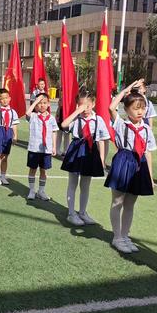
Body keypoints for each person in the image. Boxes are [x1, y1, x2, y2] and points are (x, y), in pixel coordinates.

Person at [105, 80, 156, 253]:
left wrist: (150, 176)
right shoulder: (121, 123)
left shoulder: (147, 129)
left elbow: (148, 152)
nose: (140, 111)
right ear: (127, 109)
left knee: (130, 203)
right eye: (136, 108)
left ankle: (125, 236)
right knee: (117, 201)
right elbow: (111, 107)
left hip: (138, 164)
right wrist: (126, 90)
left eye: (142, 107)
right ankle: (117, 236)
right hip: (123, 160)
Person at [61, 90, 110, 226]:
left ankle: (82, 212)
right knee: (72, 183)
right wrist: (77, 111)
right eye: (82, 105)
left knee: (85, 184)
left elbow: (102, 140)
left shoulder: (98, 119)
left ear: (93, 104)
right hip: (76, 150)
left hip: (90, 151)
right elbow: (64, 124)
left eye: (87, 105)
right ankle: (71, 213)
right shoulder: (76, 118)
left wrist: (102, 159)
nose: (85, 109)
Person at [25, 93, 58, 200]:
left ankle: (41, 191)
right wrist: (35, 101)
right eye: (39, 103)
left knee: (43, 170)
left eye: (44, 103)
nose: (42, 105)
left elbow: (54, 132)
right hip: (34, 148)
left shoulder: (51, 118)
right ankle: (32, 190)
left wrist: (53, 147)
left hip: (46, 149)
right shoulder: (34, 116)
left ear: (48, 104)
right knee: (32, 169)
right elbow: (27, 112)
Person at [0, 89, 19, 185]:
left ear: (10, 98)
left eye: (6, 98)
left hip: (8, 132)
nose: (5, 100)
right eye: (2, 99)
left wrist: (15, 136)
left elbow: (14, 124)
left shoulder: (13, 111)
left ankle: (3, 176)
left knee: (5, 156)